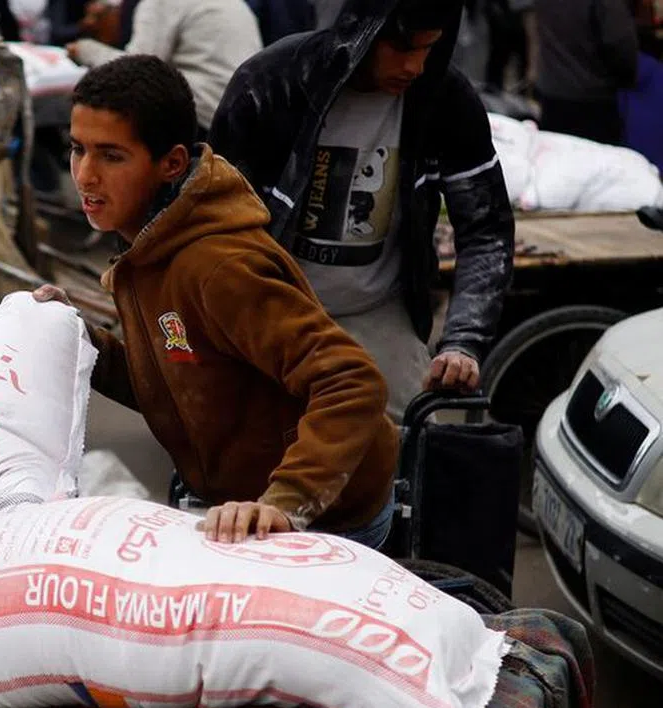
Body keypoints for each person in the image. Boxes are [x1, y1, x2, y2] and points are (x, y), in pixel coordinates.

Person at [35, 55, 399, 548]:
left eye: (111, 156)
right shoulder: (146, 248)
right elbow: (170, 380)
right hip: (229, 503)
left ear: (172, 164)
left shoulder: (217, 267)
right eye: (78, 150)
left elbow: (351, 381)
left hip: (329, 520)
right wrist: (76, 337)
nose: (85, 175)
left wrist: (284, 504)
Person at [210, 0, 515, 421]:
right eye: (404, 49)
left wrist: (463, 341)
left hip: (376, 313)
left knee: (418, 445)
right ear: (362, 29)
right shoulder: (272, 82)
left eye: (429, 50)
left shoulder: (445, 99)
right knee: (259, 457)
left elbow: (486, 228)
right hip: (272, 312)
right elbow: (211, 220)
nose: (415, 67)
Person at [67, 0, 263, 133]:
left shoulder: (160, 3)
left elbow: (137, 70)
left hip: (205, 118)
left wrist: (86, 50)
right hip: (248, 117)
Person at [533, 0, 639, 145]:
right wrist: (628, 77)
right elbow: (619, 43)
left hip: (552, 93)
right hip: (593, 100)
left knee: (556, 159)